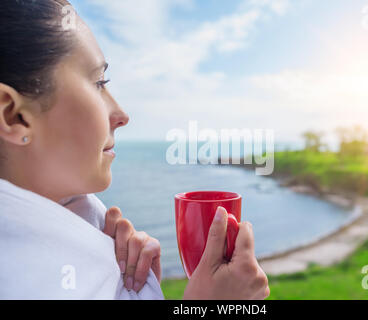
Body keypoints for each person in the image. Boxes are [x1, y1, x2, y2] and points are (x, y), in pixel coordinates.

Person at [0, 0, 269, 300]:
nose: (122, 115)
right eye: (99, 83)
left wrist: (132, 287)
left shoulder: (93, 235)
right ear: (14, 116)